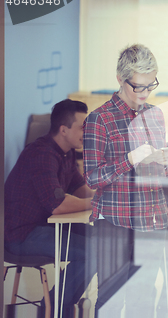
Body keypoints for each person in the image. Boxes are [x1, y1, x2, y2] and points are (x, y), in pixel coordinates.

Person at [83, 44, 168, 317]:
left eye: (151, 85)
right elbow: (92, 178)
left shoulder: (155, 115)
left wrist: (166, 164)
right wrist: (130, 160)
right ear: (120, 80)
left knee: (145, 298)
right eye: (138, 86)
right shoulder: (99, 120)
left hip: (152, 219)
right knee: (111, 300)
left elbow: (159, 176)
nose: (145, 93)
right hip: (114, 223)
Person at [4, 99, 95, 317]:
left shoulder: (66, 152)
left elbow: (81, 189)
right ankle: (54, 308)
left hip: (43, 227)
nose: (89, 131)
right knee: (92, 252)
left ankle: (57, 306)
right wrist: (98, 202)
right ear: (64, 130)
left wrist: (106, 196)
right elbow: (59, 205)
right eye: (84, 127)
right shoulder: (42, 155)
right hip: (21, 235)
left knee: (101, 241)